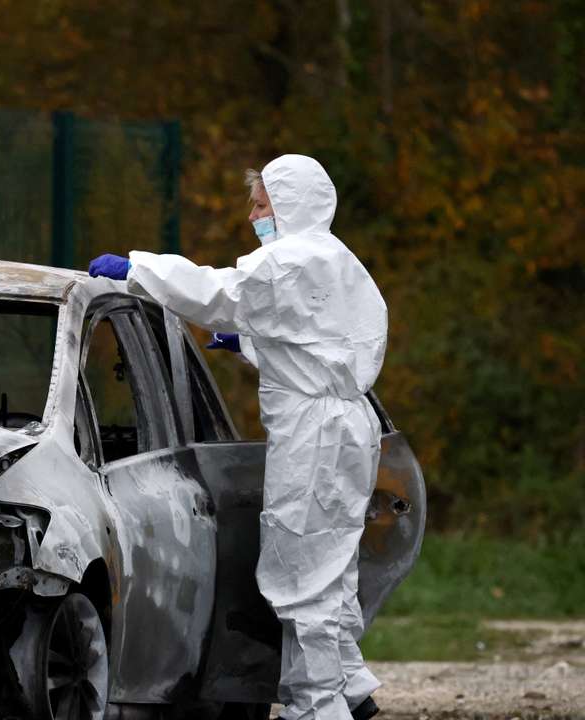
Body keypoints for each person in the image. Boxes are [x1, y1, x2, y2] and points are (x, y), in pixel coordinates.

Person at [88, 154, 387, 720]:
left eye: (261, 204)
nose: (253, 217)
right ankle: (349, 684)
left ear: (290, 204)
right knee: (330, 562)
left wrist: (137, 270)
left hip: (316, 434)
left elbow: (218, 293)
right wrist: (250, 342)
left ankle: (318, 707)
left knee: (300, 572)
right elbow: (312, 337)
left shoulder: (290, 260)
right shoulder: (335, 258)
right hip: (348, 427)